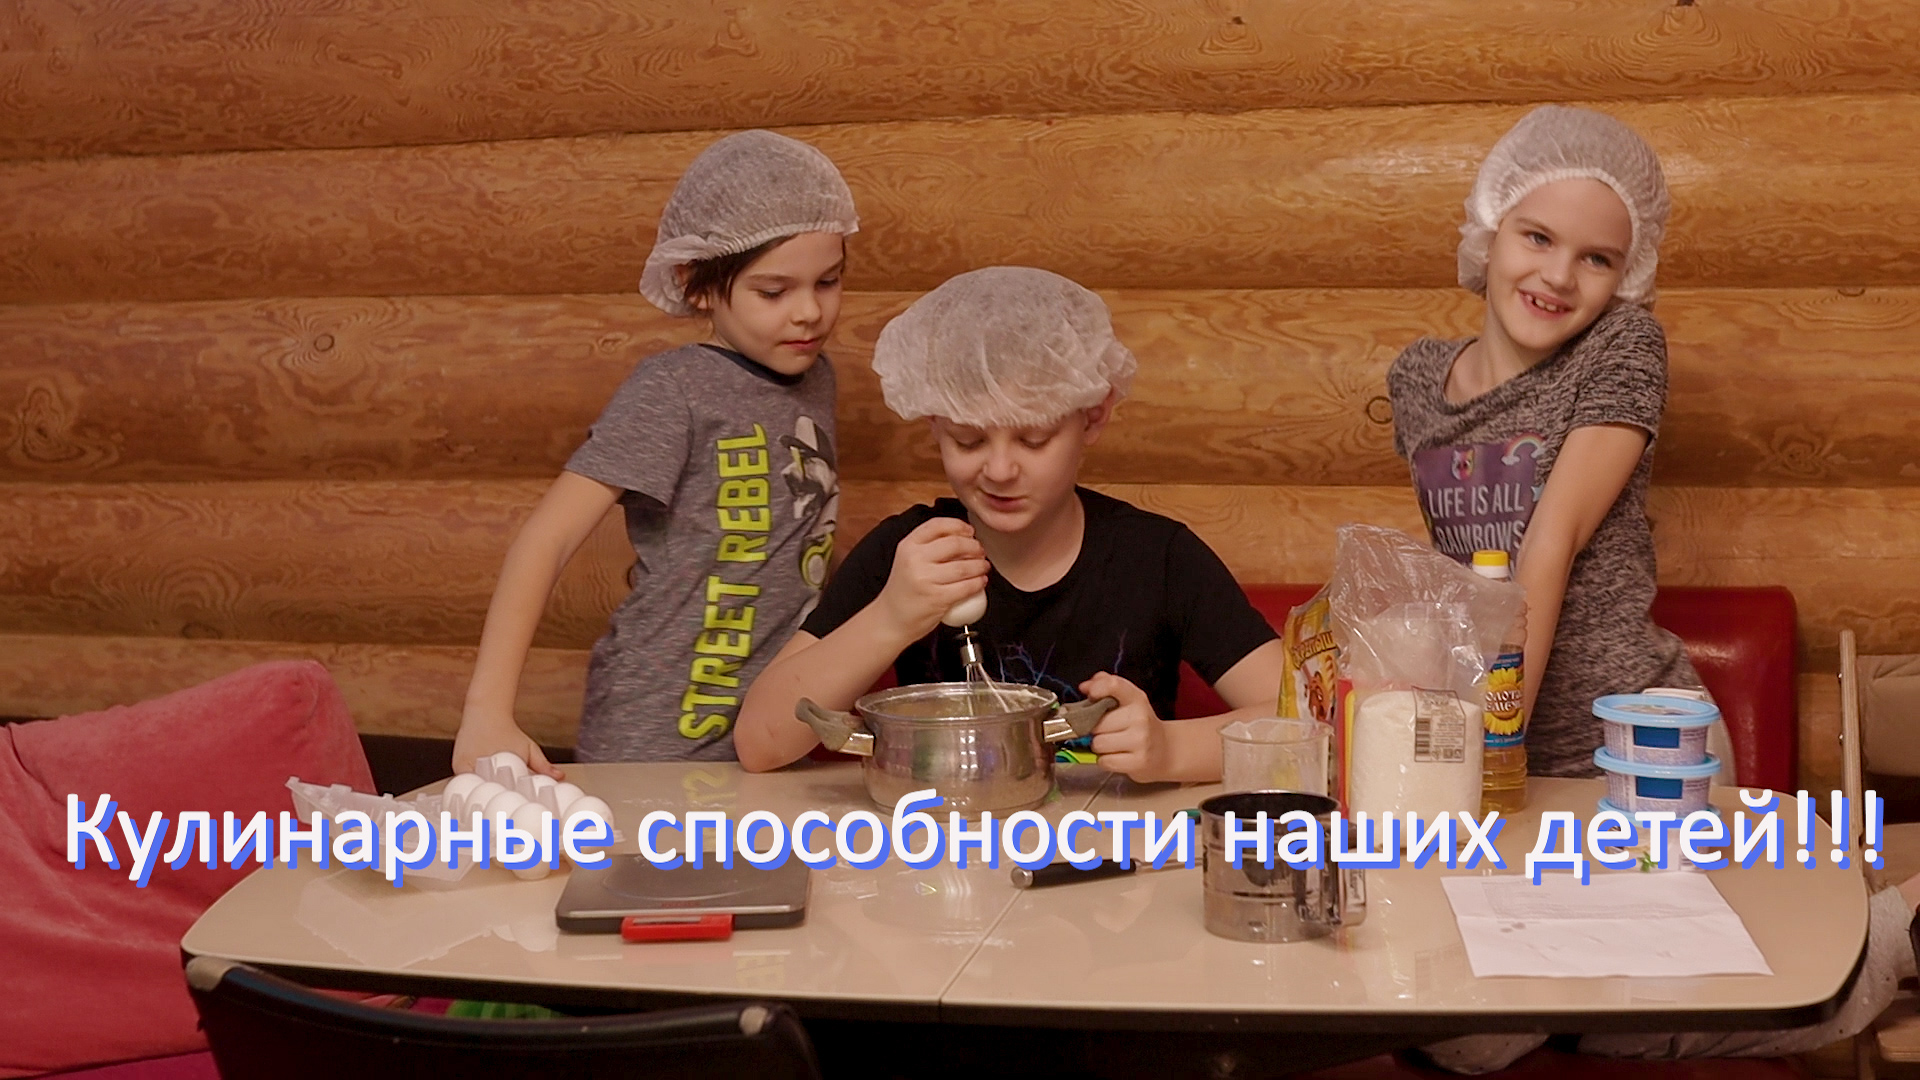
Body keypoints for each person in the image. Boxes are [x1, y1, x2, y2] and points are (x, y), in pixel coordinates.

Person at [734, 267, 1285, 781]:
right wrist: (891, 618)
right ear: (934, 423)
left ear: (1094, 417)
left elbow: (1308, 718)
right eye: (968, 439)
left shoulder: (1158, 559)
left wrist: (1172, 750)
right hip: (940, 843)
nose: (999, 470)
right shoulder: (907, 553)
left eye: (1033, 438)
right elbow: (760, 742)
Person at [451, 130, 857, 776]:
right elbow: (547, 539)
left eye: (828, 282)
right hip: (653, 735)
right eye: (773, 292)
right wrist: (487, 711)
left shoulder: (818, 379)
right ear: (696, 284)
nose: (809, 312)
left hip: (769, 735)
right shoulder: (673, 390)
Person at [1386, 105, 1712, 780]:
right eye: (1538, 237)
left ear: (1625, 276)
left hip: (1633, 748)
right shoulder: (1417, 378)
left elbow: (1549, 541)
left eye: (1596, 258)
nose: (1560, 276)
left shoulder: (1622, 345)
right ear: (1489, 232)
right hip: (1486, 736)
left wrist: (1490, 750)